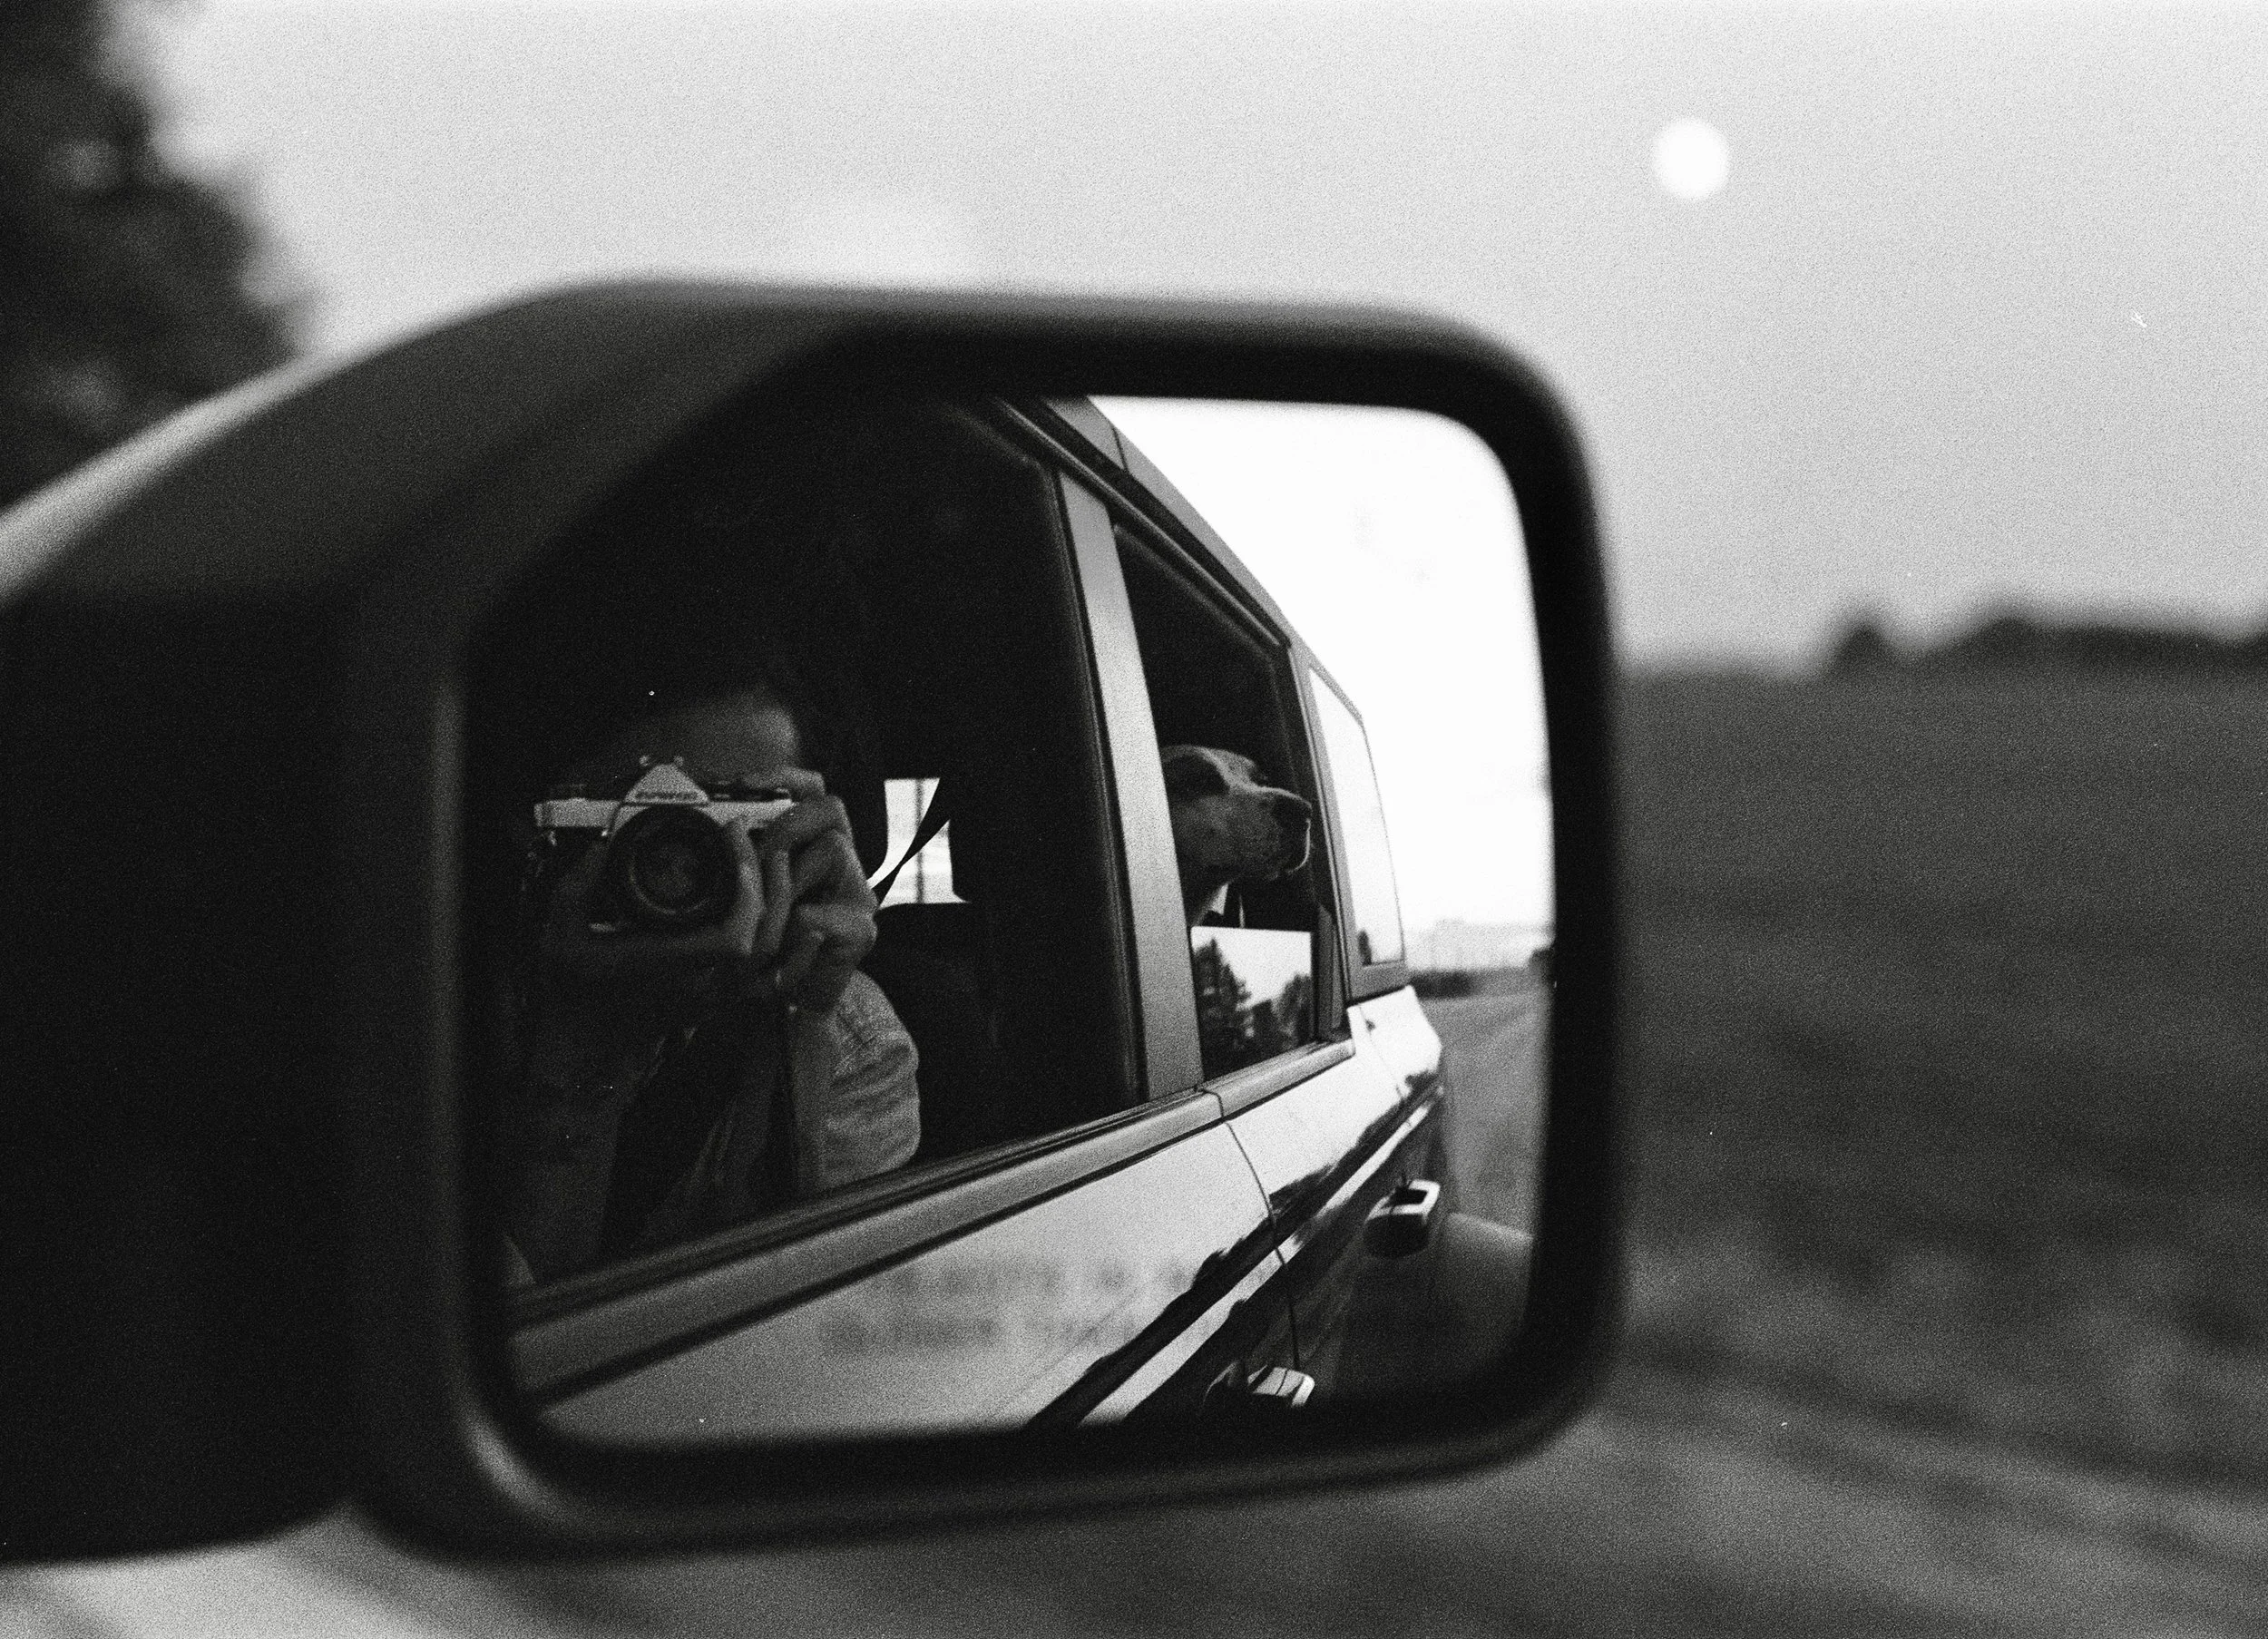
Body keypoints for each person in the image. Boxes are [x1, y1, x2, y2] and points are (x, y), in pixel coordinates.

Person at [502, 678, 919, 1283]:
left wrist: (803, 1027)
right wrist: (579, 1038)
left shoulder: (854, 1037)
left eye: (735, 819)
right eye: (639, 819)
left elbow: (825, 1302)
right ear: (549, 832)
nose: (682, 863)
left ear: (805, 833)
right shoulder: (439, 1006)